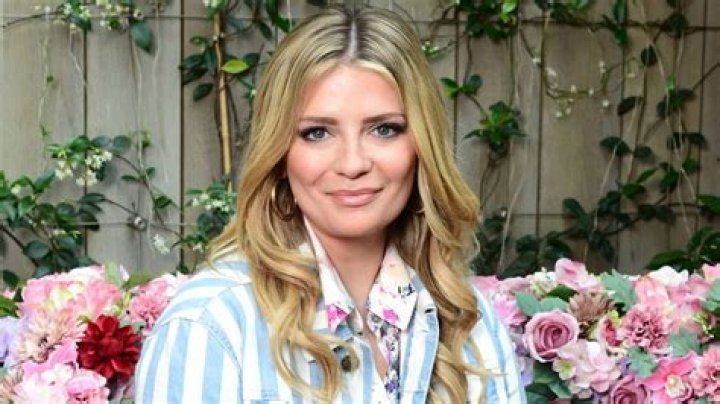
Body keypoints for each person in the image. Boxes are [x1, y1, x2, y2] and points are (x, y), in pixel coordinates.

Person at [135, 5, 524, 403]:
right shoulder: (210, 325)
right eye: (317, 133)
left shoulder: (469, 323)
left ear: (421, 147)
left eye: (384, 129)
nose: (353, 164)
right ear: (280, 154)